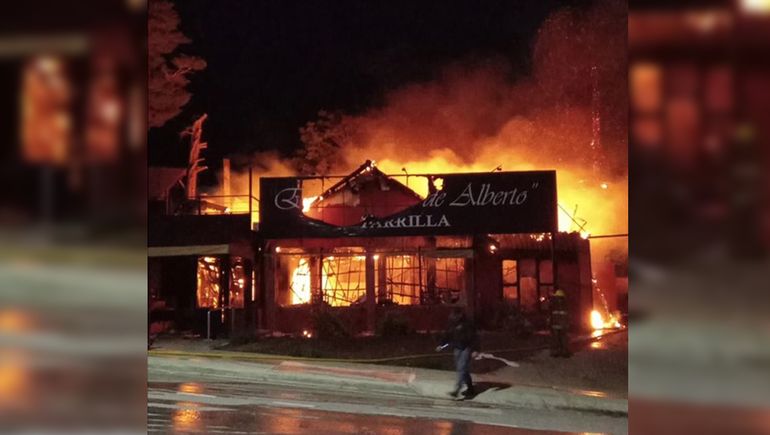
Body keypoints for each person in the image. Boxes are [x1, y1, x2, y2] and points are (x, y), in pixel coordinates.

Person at [436, 308, 480, 398]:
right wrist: (441, 345)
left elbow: (474, 338)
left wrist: (475, 350)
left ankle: (457, 389)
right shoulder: (452, 325)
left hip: (466, 348)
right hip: (457, 348)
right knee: (463, 369)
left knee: (461, 368)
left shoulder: (467, 325)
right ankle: (470, 388)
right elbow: (447, 335)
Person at [549, 289, 571, 357]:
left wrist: (550, 323)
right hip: (563, 325)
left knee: (556, 338)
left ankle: (556, 352)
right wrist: (568, 323)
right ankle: (564, 352)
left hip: (555, 324)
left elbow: (550, 314)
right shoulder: (566, 304)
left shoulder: (553, 304)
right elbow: (568, 315)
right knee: (563, 338)